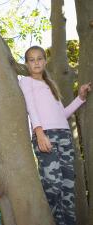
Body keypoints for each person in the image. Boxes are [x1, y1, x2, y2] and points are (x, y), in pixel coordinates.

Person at [19, 46, 91, 225]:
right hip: (45, 135)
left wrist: (80, 98)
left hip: (65, 136)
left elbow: (62, 114)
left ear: (45, 61)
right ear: (27, 64)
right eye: (31, 59)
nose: (36, 62)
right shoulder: (26, 81)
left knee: (68, 188)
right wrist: (39, 132)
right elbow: (31, 107)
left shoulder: (51, 85)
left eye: (39, 58)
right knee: (54, 183)